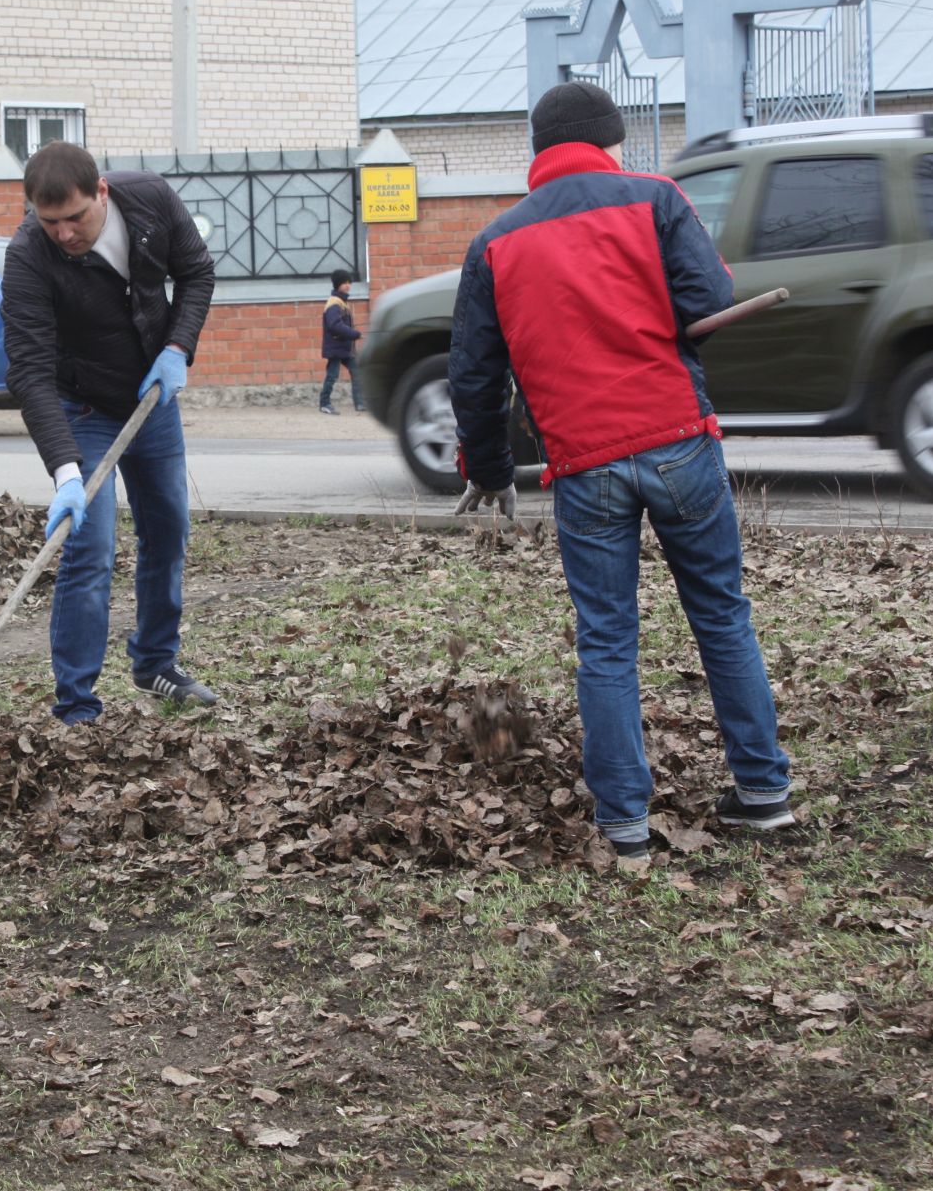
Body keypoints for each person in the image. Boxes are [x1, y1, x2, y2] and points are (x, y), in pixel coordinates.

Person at [447, 82, 794, 865]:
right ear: (610, 140)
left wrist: (493, 467)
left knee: (607, 641)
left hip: (584, 463)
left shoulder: (497, 243)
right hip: (678, 440)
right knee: (722, 615)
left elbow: (474, 376)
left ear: (539, 151)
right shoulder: (656, 198)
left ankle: (626, 825)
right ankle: (764, 792)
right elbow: (709, 295)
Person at [1, 142, 220, 724]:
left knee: (168, 528)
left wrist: (177, 348)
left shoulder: (148, 200)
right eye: (50, 222)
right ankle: (77, 706)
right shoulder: (28, 256)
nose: (66, 233)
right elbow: (28, 367)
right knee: (90, 547)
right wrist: (66, 472)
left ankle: (155, 663)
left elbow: (197, 272)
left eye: (76, 217)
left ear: (101, 191)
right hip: (81, 407)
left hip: (151, 397)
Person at [318, 268, 363, 415]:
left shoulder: (341, 302)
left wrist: (352, 335)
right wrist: (354, 334)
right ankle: (324, 403)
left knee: (356, 371)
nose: (348, 285)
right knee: (332, 375)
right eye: (344, 282)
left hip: (344, 348)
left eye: (349, 282)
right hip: (336, 347)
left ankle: (360, 403)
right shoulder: (334, 303)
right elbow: (335, 325)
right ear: (337, 284)